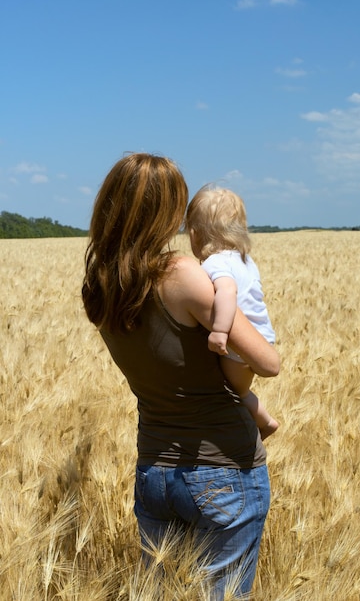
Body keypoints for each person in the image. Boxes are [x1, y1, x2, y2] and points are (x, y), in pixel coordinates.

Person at [82, 153, 280, 600]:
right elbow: (268, 362)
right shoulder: (184, 275)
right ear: (167, 213)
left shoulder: (100, 286)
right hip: (222, 471)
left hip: (153, 472)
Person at [186, 185, 279, 440]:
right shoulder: (245, 261)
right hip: (262, 337)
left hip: (239, 346)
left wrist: (219, 331)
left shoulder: (215, 262)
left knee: (235, 392)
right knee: (241, 390)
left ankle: (266, 422)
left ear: (195, 236)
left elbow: (227, 293)